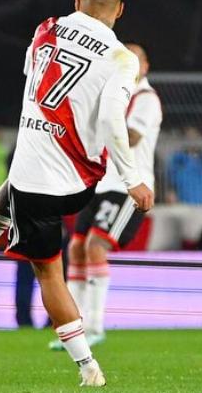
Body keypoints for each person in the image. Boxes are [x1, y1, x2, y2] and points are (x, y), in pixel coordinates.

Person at [0, 0, 154, 387]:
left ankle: (88, 368)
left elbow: (37, 87)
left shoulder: (47, 29)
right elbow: (111, 118)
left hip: (38, 183)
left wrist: (131, 180)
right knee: (13, 186)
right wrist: (133, 178)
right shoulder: (121, 58)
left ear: (77, 2)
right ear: (120, 10)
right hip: (81, 181)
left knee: (48, 275)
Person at [53, 42, 162, 350]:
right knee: (75, 248)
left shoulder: (146, 99)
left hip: (130, 186)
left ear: (146, 66)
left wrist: (96, 126)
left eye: (136, 60)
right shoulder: (112, 97)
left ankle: (96, 326)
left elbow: (132, 136)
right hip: (101, 185)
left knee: (95, 246)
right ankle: (74, 329)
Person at [166, 126, 202, 204]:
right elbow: (172, 179)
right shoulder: (178, 159)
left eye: (195, 137)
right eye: (188, 137)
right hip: (184, 204)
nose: (192, 140)